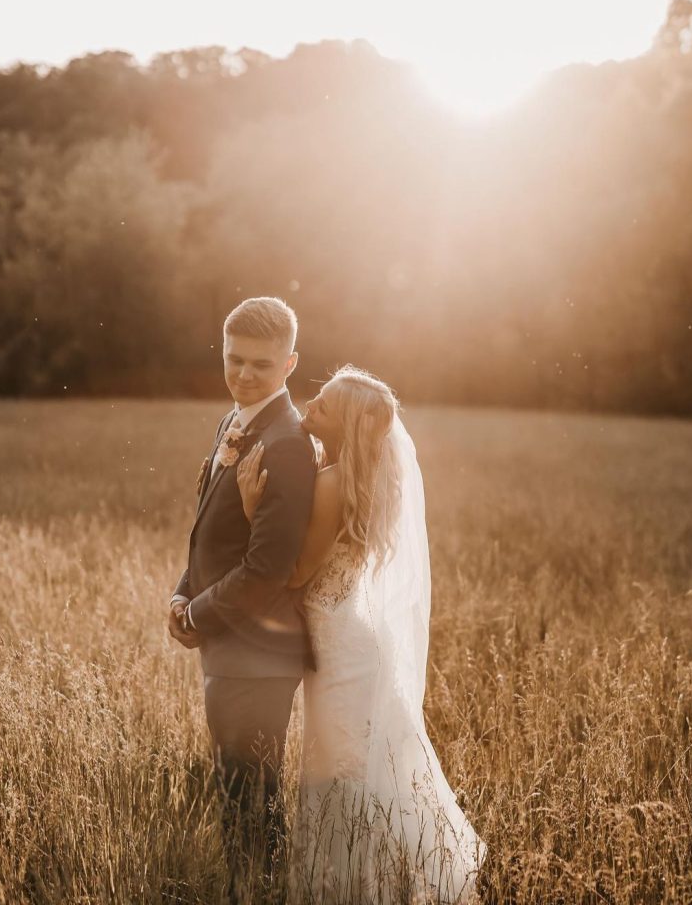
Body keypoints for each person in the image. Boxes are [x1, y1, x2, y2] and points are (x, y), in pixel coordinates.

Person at [235, 364, 487, 904]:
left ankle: (351, 889)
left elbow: (298, 574)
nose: (312, 406)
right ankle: (378, 881)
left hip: (338, 648)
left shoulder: (331, 484)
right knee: (363, 767)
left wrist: (254, 512)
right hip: (354, 639)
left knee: (339, 771)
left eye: (324, 405)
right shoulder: (366, 481)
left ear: (346, 424)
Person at [168, 296, 317, 904]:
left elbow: (267, 570)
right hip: (231, 648)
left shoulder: (285, 442)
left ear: (290, 363)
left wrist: (197, 615)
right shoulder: (233, 422)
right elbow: (212, 527)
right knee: (240, 802)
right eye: (234, 360)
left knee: (251, 810)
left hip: (258, 654)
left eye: (261, 363)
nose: (244, 374)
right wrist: (183, 590)